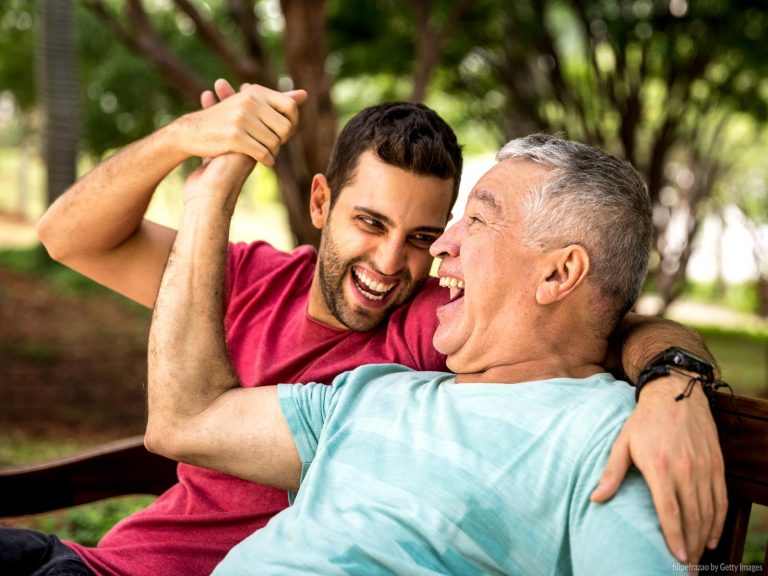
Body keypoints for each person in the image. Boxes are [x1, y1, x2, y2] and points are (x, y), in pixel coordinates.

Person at [10, 81, 723, 575]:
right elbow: (69, 237)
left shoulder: (431, 331)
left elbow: (601, 318)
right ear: (321, 204)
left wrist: (672, 383)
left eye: (430, 232)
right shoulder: (252, 284)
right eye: (371, 223)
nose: (395, 262)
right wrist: (190, 150)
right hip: (101, 563)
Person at [146, 133, 696, 574]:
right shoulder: (374, 393)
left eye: (476, 221)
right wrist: (208, 200)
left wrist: (676, 384)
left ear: (558, 273)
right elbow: (183, 421)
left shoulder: (611, 441)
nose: (439, 246)